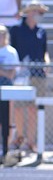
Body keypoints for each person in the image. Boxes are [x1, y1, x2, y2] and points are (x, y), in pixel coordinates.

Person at [9, 0, 50, 154]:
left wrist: (47, 63)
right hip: (21, 74)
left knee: (34, 108)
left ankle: (31, 141)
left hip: (38, 74)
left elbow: (45, 51)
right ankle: (19, 137)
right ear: (30, 12)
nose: (41, 16)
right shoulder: (16, 30)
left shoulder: (42, 31)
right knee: (19, 108)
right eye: (40, 12)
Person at [0, 25, 20, 162]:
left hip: (5, 90)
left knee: (6, 120)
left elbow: (11, 74)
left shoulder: (11, 52)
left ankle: (5, 149)